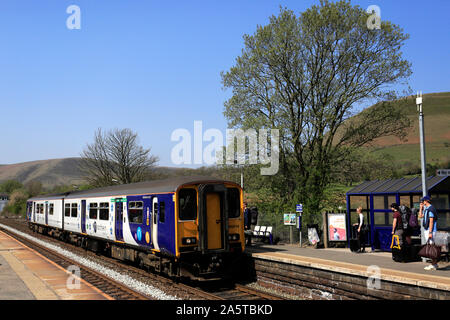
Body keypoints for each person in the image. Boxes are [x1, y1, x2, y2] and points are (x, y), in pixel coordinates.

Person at [419, 196, 439, 271]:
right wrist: (421, 208)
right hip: (427, 230)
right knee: (431, 247)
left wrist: (430, 232)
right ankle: (434, 264)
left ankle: (433, 264)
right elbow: (420, 216)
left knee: (432, 248)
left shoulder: (431, 209)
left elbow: (431, 221)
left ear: (426, 201)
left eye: (423, 201)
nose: (422, 202)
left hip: (431, 230)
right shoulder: (426, 209)